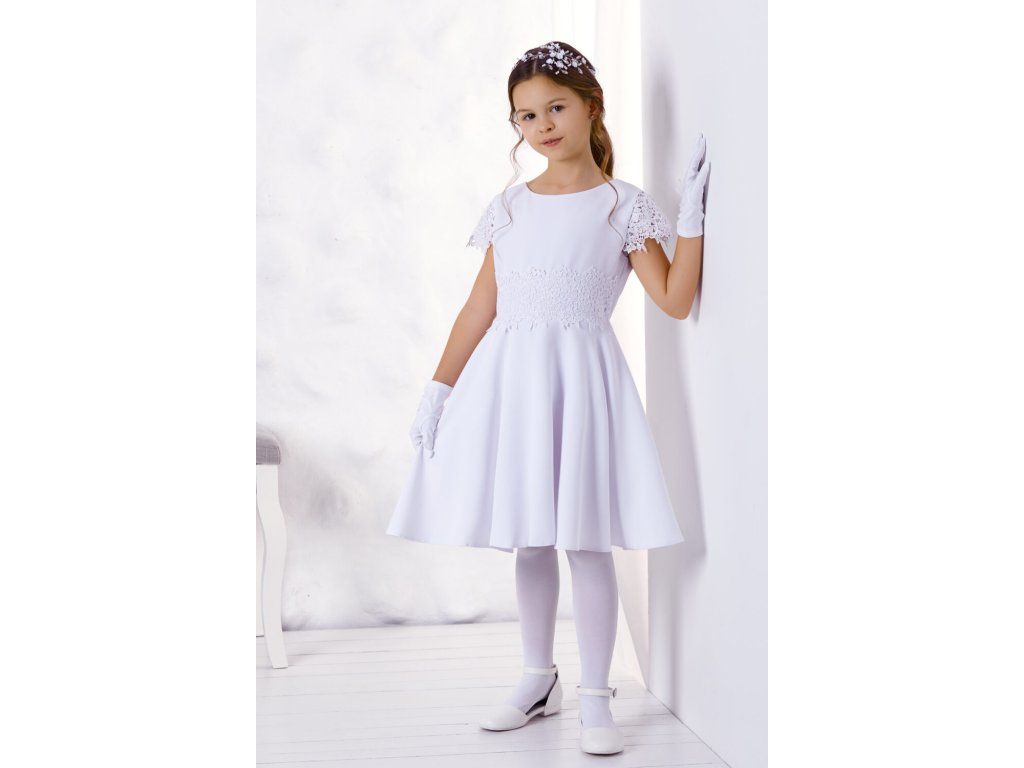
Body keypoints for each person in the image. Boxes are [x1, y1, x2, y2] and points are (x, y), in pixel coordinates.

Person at [386, 40, 709, 756]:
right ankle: (537, 678)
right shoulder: (509, 206)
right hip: (514, 387)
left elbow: (674, 298)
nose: (542, 126)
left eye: (555, 108)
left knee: (585, 540)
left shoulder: (622, 206)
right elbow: (479, 308)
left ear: (592, 106)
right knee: (531, 537)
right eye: (526, 116)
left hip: (583, 384)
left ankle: (595, 696)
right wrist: (438, 388)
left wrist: (689, 220)